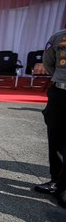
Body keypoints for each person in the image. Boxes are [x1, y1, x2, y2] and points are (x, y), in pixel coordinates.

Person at [34, 29, 66, 208]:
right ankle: (56, 181)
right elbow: (49, 62)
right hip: (60, 93)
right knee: (55, 138)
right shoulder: (58, 37)